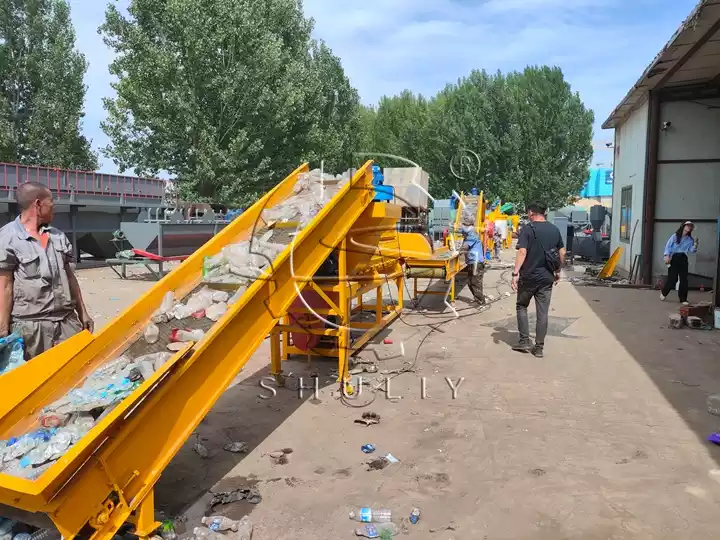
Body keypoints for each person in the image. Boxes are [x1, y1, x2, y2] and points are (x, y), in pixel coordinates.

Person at [0, 182, 93, 360]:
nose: (54, 207)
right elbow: (4, 286)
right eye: (51, 202)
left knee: (78, 372)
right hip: (31, 329)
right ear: (38, 204)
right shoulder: (7, 238)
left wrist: (83, 313)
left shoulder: (58, 236)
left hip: (67, 322)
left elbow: (70, 277)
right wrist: (3, 327)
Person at [510, 202, 565, 358]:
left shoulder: (527, 229)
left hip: (528, 277)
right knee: (543, 313)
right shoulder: (554, 229)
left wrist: (515, 274)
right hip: (547, 277)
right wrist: (558, 270)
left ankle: (524, 340)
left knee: (521, 305)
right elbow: (562, 252)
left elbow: (522, 251)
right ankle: (539, 348)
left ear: (530, 213)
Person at [660, 221, 698, 305]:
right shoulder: (675, 236)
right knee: (673, 279)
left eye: (690, 226)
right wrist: (666, 255)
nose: (689, 227)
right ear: (683, 226)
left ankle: (683, 299)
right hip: (673, 258)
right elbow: (668, 246)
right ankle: (664, 292)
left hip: (683, 258)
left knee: (684, 279)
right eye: (687, 225)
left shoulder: (689, 239)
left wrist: (695, 245)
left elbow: (691, 250)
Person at [459, 215, 485, 304]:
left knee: (475, 282)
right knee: (470, 282)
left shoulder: (472, 234)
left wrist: (458, 251)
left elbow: (465, 247)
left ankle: (480, 301)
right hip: (472, 262)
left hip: (476, 263)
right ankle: (478, 299)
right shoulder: (468, 234)